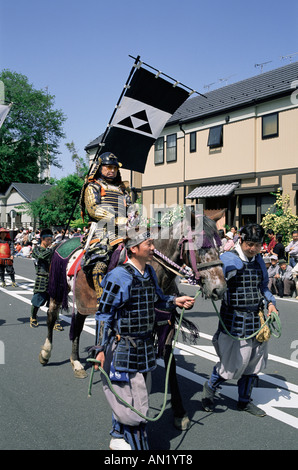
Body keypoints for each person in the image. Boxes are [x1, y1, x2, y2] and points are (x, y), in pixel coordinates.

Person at [94, 228, 195, 450]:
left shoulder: (149, 272)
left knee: (134, 398)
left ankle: (117, 434)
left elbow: (158, 301)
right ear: (134, 249)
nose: (153, 248)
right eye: (149, 244)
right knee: (136, 408)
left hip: (146, 348)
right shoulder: (118, 276)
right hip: (124, 349)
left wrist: (176, 301)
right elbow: (103, 314)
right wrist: (100, 349)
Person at [201, 223, 278, 417]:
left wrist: (271, 303)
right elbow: (212, 280)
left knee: (254, 363)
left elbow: (263, 287)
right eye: (249, 244)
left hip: (256, 319)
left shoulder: (259, 260)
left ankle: (244, 401)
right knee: (234, 363)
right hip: (234, 319)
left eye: (257, 245)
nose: (253, 248)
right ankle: (210, 388)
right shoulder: (228, 259)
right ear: (241, 240)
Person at [79, 152, 130, 307]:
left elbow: (131, 209)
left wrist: (135, 217)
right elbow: (93, 209)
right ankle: (102, 298)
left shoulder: (122, 191)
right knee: (100, 259)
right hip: (102, 229)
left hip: (124, 228)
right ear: (100, 168)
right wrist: (115, 219)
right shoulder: (93, 186)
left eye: (115, 168)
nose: (112, 170)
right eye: (108, 167)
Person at [30, 229, 55, 328]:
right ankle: (33, 317)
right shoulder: (36, 249)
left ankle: (53, 320)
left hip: (52, 278)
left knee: (53, 301)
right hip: (42, 277)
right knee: (37, 300)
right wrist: (51, 250)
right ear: (42, 239)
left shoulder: (51, 250)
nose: (50, 242)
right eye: (48, 240)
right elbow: (41, 256)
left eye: (51, 240)